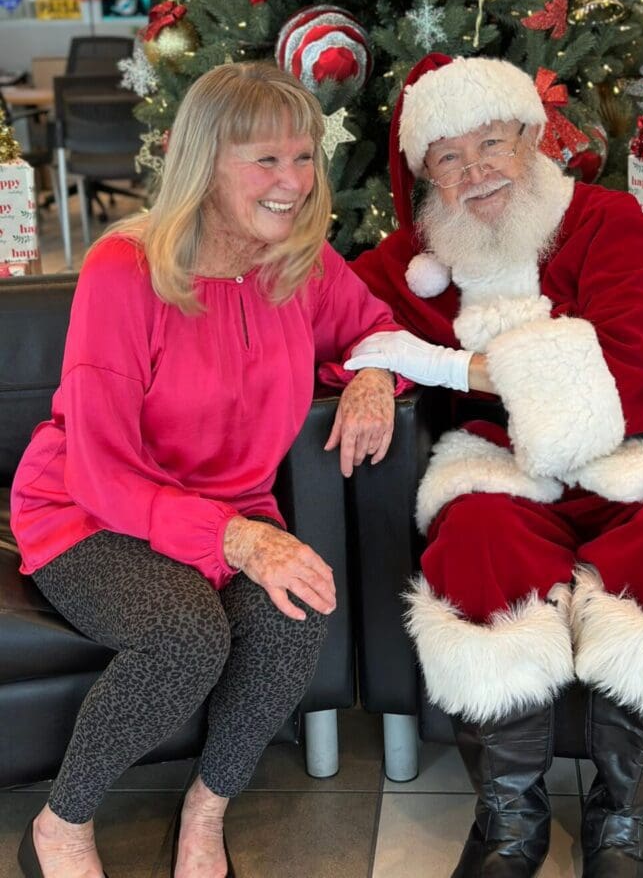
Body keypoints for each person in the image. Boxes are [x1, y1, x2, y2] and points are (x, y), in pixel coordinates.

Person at [343, 53, 643, 878]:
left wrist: (490, 371)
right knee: (474, 541)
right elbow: (339, 321)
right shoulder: (413, 258)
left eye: (491, 143)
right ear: (426, 174)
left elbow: (638, 351)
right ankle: (509, 816)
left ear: (530, 138)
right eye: (450, 157)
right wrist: (372, 369)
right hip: (500, 470)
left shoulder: (609, 221)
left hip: (630, 456)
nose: (477, 172)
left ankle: (624, 817)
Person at [10, 60, 402, 878]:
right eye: (264, 160)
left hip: (231, 513)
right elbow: (104, 468)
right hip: (89, 511)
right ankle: (62, 820)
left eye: (303, 157)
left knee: (298, 612)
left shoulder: (298, 259)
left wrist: (372, 377)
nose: (291, 182)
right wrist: (238, 542)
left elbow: (374, 328)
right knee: (188, 634)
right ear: (203, 161)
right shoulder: (127, 270)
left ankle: (208, 807)